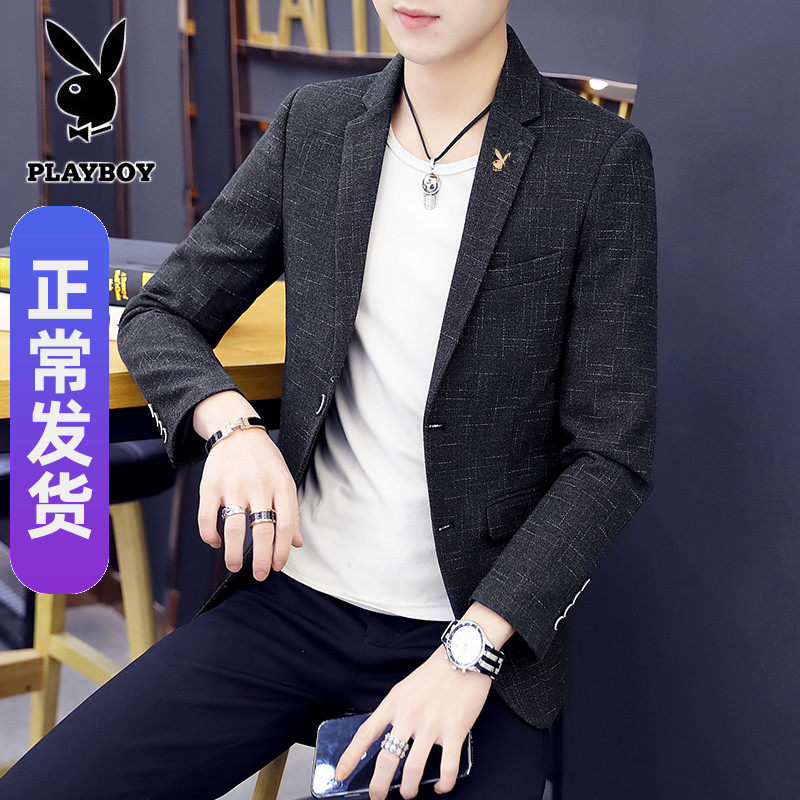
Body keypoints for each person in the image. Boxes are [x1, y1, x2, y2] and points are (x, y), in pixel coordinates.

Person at [0, 3, 657, 799]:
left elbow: (609, 458)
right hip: (292, 604)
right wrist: (231, 424)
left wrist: (471, 652)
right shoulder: (316, 126)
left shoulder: (596, 159)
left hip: (468, 630)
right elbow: (161, 311)